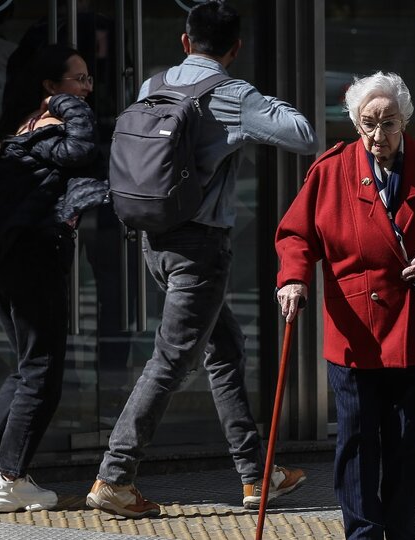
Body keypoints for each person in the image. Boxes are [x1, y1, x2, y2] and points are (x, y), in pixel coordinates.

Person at [85, 0, 319, 518]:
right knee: (172, 360)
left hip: (153, 238)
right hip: (199, 250)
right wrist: (252, 101)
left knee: (225, 346)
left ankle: (257, 476)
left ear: (185, 41)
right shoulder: (232, 94)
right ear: (234, 49)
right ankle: (114, 476)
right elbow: (303, 135)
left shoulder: (153, 86)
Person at [274, 72, 415, 539]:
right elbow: (295, 234)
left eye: (389, 123)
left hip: (414, 332)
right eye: (368, 123)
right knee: (355, 442)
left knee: (408, 443)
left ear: (405, 120)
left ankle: (401, 530)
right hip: (353, 331)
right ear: (354, 124)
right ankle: (363, 533)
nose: (378, 136)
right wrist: (292, 279)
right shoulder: (331, 170)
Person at [0, 44, 107, 513]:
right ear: (49, 87)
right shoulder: (53, 128)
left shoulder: (17, 130)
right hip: (34, 261)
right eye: (78, 80)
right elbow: (84, 148)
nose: (87, 88)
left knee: (30, 363)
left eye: (88, 80)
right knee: (43, 373)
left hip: (6, 262)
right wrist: (67, 105)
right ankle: (9, 478)